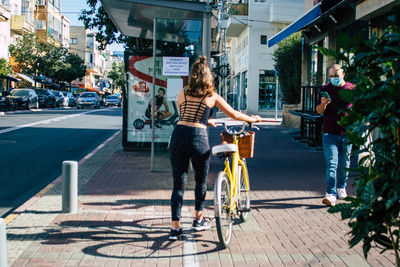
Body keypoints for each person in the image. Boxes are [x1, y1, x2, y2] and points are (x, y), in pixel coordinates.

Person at [168, 56, 261, 240]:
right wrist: (252, 119)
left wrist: (205, 120)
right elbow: (233, 114)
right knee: (200, 182)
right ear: (208, 77)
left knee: (178, 184)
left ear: (192, 76)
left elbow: (185, 115)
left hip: (178, 136)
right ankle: (198, 219)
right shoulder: (212, 96)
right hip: (198, 139)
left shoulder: (182, 92)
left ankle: (175, 228)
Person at [316, 64, 355, 207]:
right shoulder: (325, 89)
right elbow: (319, 111)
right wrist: (323, 104)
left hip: (347, 133)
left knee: (345, 163)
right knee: (332, 163)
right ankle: (330, 193)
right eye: (331, 76)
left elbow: (358, 109)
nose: (334, 79)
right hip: (329, 133)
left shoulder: (352, 89)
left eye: (336, 76)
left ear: (343, 74)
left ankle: (341, 187)